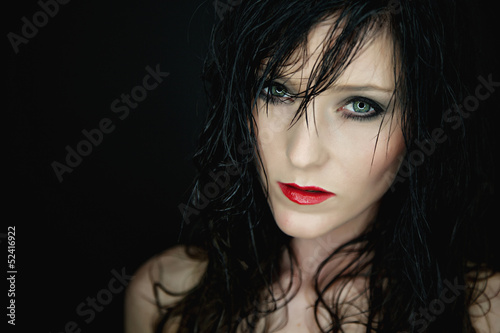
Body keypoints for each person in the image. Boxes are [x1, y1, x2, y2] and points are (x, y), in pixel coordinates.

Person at [125, 0, 500, 332]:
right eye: (277, 90)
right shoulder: (167, 296)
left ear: (423, 124)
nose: (301, 155)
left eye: (360, 106)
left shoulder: (486, 313)